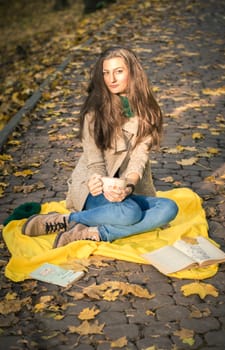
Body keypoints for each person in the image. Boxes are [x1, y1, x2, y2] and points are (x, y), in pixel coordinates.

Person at [22, 46, 178, 248]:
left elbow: (140, 159)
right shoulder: (94, 112)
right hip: (93, 188)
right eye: (106, 73)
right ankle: (64, 220)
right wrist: (98, 183)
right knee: (130, 213)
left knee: (168, 209)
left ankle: (90, 232)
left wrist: (128, 187)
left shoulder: (148, 112)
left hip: (128, 188)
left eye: (118, 71)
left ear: (133, 72)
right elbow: (94, 162)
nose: (111, 79)